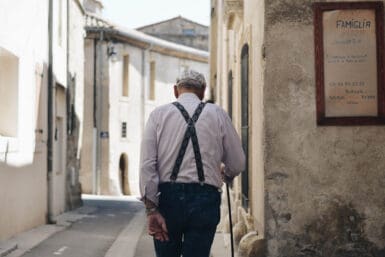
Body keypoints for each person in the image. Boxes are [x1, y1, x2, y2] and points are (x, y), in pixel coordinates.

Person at [139, 69, 245, 257]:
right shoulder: (218, 114)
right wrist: (226, 174)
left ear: (175, 90)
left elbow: (147, 165)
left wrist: (151, 208)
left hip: (168, 200)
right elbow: (237, 163)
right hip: (205, 199)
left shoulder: (158, 115)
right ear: (203, 91)